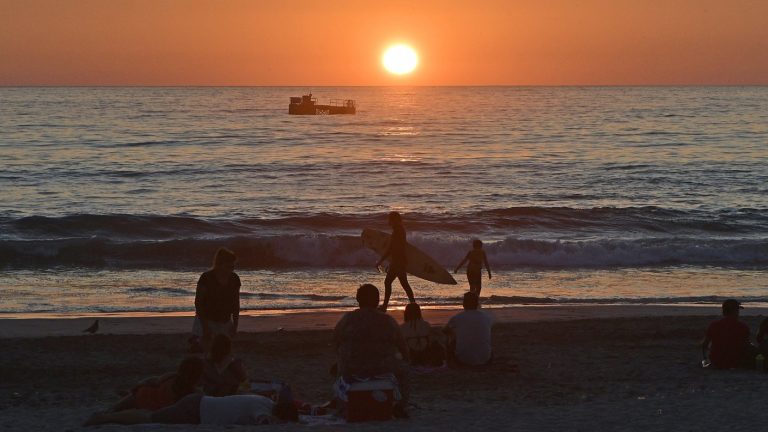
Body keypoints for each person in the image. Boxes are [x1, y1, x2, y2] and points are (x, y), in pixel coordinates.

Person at [333, 283, 410, 417]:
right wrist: (405, 359)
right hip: (383, 368)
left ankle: (342, 402)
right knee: (404, 370)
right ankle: (400, 404)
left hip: (353, 368)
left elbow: (336, 342)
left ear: (358, 299)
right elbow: (403, 347)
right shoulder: (388, 320)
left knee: (337, 367)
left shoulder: (347, 319)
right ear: (377, 300)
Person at [85, 388, 298, 426]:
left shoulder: (265, 401)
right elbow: (263, 421)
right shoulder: (263, 411)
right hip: (195, 410)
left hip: (199, 402)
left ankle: (112, 416)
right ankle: (105, 418)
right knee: (150, 418)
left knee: (152, 415)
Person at [111, 357, 204, 412]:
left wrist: (138, 385)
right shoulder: (194, 393)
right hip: (149, 407)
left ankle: (125, 396)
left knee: (115, 408)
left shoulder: (172, 375)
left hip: (142, 396)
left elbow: (153, 381)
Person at [193, 248, 241, 350]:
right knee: (205, 347)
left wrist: (235, 324)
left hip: (225, 319)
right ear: (219, 264)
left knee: (222, 348)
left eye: (232, 267)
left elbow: (236, 303)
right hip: (206, 318)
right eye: (228, 267)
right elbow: (198, 303)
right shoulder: (206, 278)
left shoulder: (234, 279)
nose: (231, 270)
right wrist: (205, 326)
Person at [375, 211, 415, 311]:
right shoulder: (399, 230)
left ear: (395, 220)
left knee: (389, 282)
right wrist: (387, 261)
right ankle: (413, 304)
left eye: (390, 219)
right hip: (399, 261)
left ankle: (385, 306)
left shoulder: (398, 231)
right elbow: (394, 248)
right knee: (403, 284)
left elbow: (395, 248)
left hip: (398, 262)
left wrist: (387, 261)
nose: (389, 221)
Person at [701, 299, 757, 369]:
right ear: (735, 311)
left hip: (716, 362)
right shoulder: (742, 327)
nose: (738, 313)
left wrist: (705, 358)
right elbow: (746, 345)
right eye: (737, 310)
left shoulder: (714, 325)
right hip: (736, 362)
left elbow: (704, 345)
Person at [443, 292, 493, 367]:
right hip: (486, 359)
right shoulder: (486, 317)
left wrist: (454, 335)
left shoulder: (458, 317)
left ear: (464, 304)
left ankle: (449, 362)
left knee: (449, 338)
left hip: (463, 360)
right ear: (477, 304)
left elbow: (444, 330)